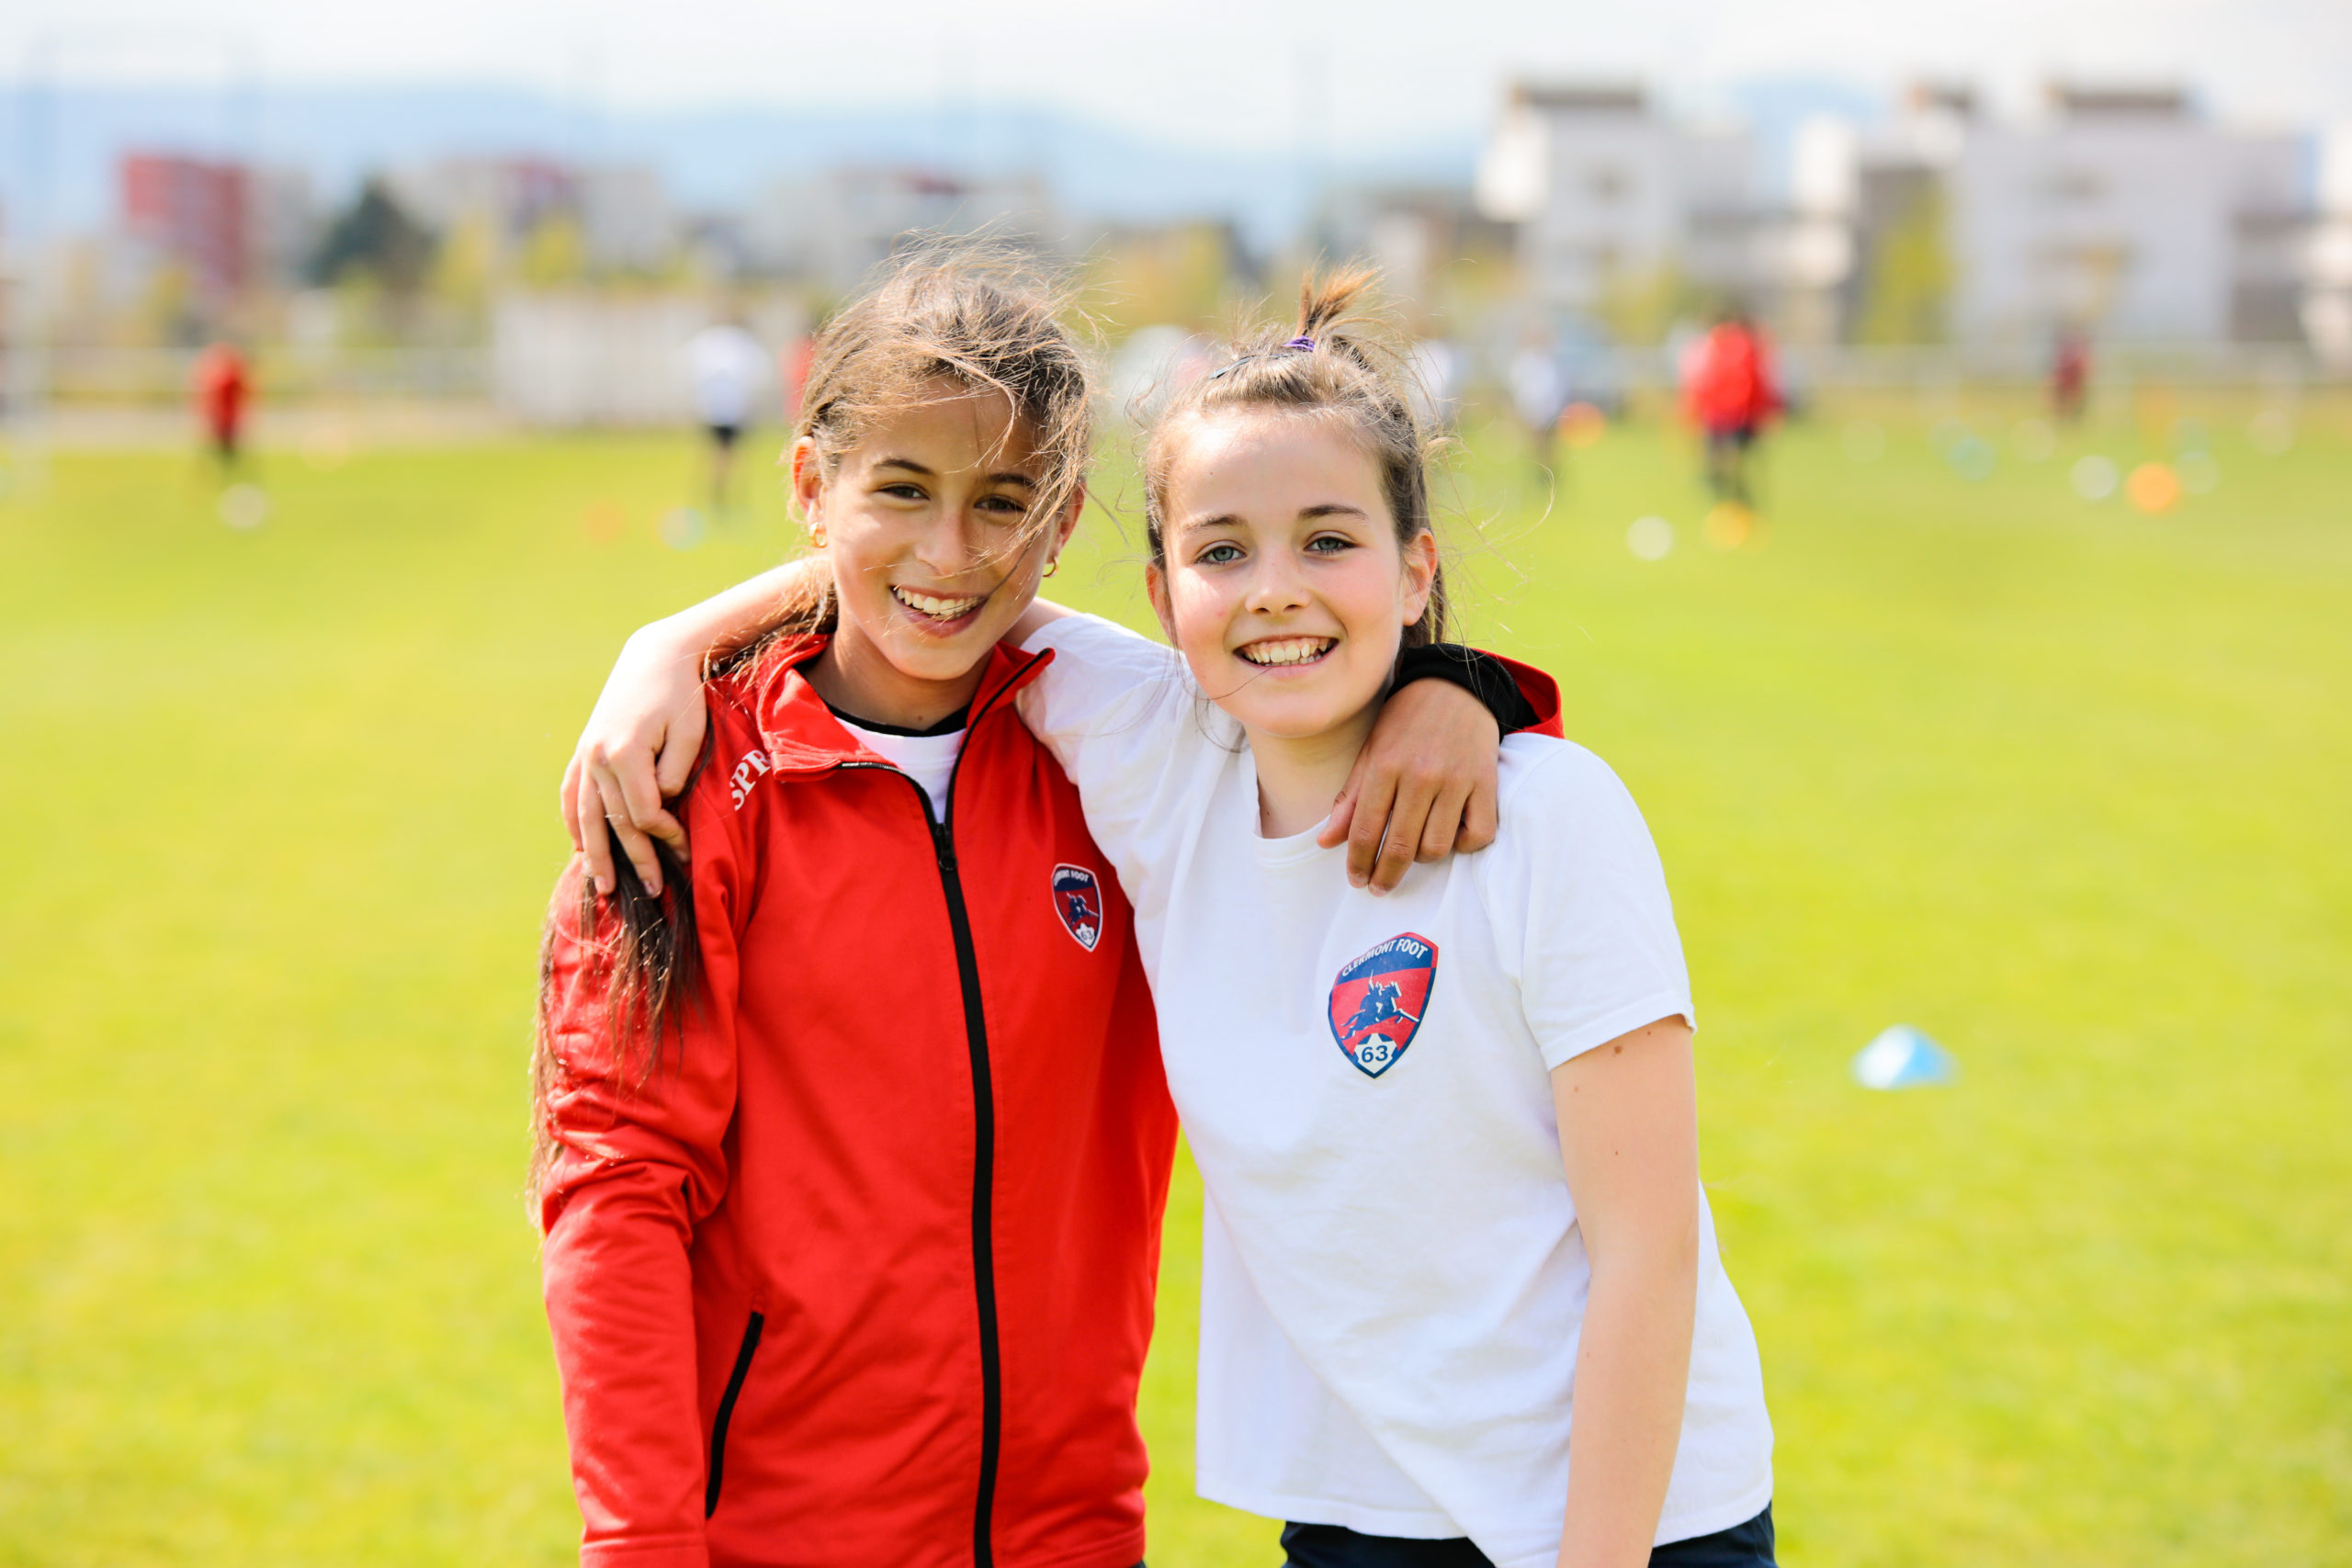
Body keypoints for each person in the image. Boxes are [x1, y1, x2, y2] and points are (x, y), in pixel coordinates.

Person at [577, 273, 1776, 1568]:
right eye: (1221, 551)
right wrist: (670, 642)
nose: (1272, 589)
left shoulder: (1538, 814)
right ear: (1158, 591)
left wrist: (1459, 686)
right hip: (1352, 1513)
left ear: (1417, 565)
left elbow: (1648, 1246)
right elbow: (946, 587)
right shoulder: (1151, 758)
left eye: (1328, 538)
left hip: (1633, 1519)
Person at [1680, 309, 1779, 511]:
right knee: (1724, 465)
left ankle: (1734, 504)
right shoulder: (1730, 346)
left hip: (1731, 415)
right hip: (1725, 414)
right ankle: (1731, 504)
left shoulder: (1731, 347)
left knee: (1726, 465)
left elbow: (1747, 384)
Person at [685, 316, 767, 511]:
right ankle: (725, 495)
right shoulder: (741, 344)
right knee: (730, 455)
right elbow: (759, 373)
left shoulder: (708, 342)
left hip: (713, 410)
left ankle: (717, 494)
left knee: (716, 454)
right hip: (732, 411)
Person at [192, 341, 250, 473]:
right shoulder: (227, 378)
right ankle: (221, 471)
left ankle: (223, 471)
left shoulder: (228, 378)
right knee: (222, 450)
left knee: (225, 450)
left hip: (226, 419)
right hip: (223, 419)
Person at [2051, 323, 2090, 424]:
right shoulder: (2065, 351)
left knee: (2075, 402)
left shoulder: (2077, 351)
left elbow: (2083, 367)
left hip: (2073, 382)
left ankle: (2074, 420)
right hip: (2065, 381)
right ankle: (2062, 420)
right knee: (2062, 403)